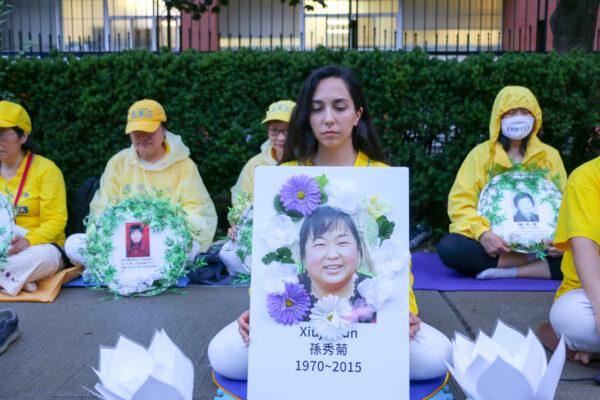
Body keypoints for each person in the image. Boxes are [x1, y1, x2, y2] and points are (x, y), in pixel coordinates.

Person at [208, 65, 452, 381]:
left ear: (357, 114)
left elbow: (394, 260)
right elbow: (269, 254)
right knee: (223, 355)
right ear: (306, 118)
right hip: (296, 322)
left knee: (437, 356)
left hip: (363, 322)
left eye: (340, 107)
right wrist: (259, 311)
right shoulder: (286, 177)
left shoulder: (381, 176)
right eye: (317, 108)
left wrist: (404, 315)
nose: (328, 119)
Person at [65, 99, 217, 265]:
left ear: (163, 129)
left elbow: (198, 212)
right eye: (137, 132)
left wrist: (165, 222)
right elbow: (101, 209)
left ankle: (136, 267)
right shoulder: (118, 163)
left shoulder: (184, 165)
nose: (143, 138)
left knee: (191, 249)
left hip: (164, 241)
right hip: (122, 242)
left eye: (149, 131)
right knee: (73, 244)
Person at [437, 86, 567, 280]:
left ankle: (512, 270)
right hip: (494, 247)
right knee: (450, 248)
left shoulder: (549, 156)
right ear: (498, 118)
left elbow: (566, 202)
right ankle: (533, 263)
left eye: (525, 112)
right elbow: (460, 203)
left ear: (535, 117)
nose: (519, 117)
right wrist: (482, 234)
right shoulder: (480, 155)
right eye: (511, 112)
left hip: (544, 247)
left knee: (583, 252)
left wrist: (563, 240)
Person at [220, 100, 296, 276]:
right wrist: (237, 226)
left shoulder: (311, 162)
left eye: (287, 130)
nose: (281, 138)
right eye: (275, 130)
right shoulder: (255, 164)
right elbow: (240, 202)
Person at [0, 101, 67, 296]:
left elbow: (56, 221)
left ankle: (17, 277)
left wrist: (28, 240)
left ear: (24, 136)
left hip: (39, 247)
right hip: (3, 248)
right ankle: (20, 279)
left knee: (43, 258)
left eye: (3, 134)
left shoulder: (46, 170)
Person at [549, 156, 600, 365]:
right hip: (591, 291)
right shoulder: (585, 177)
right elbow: (584, 246)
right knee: (570, 316)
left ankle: (593, 349)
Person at [298, 206, 375, 323]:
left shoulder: (377, 291)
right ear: (303, 253)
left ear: (359, 249)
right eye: (320, 244)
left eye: (342, 242)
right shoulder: (285, 294)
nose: (332, 254)